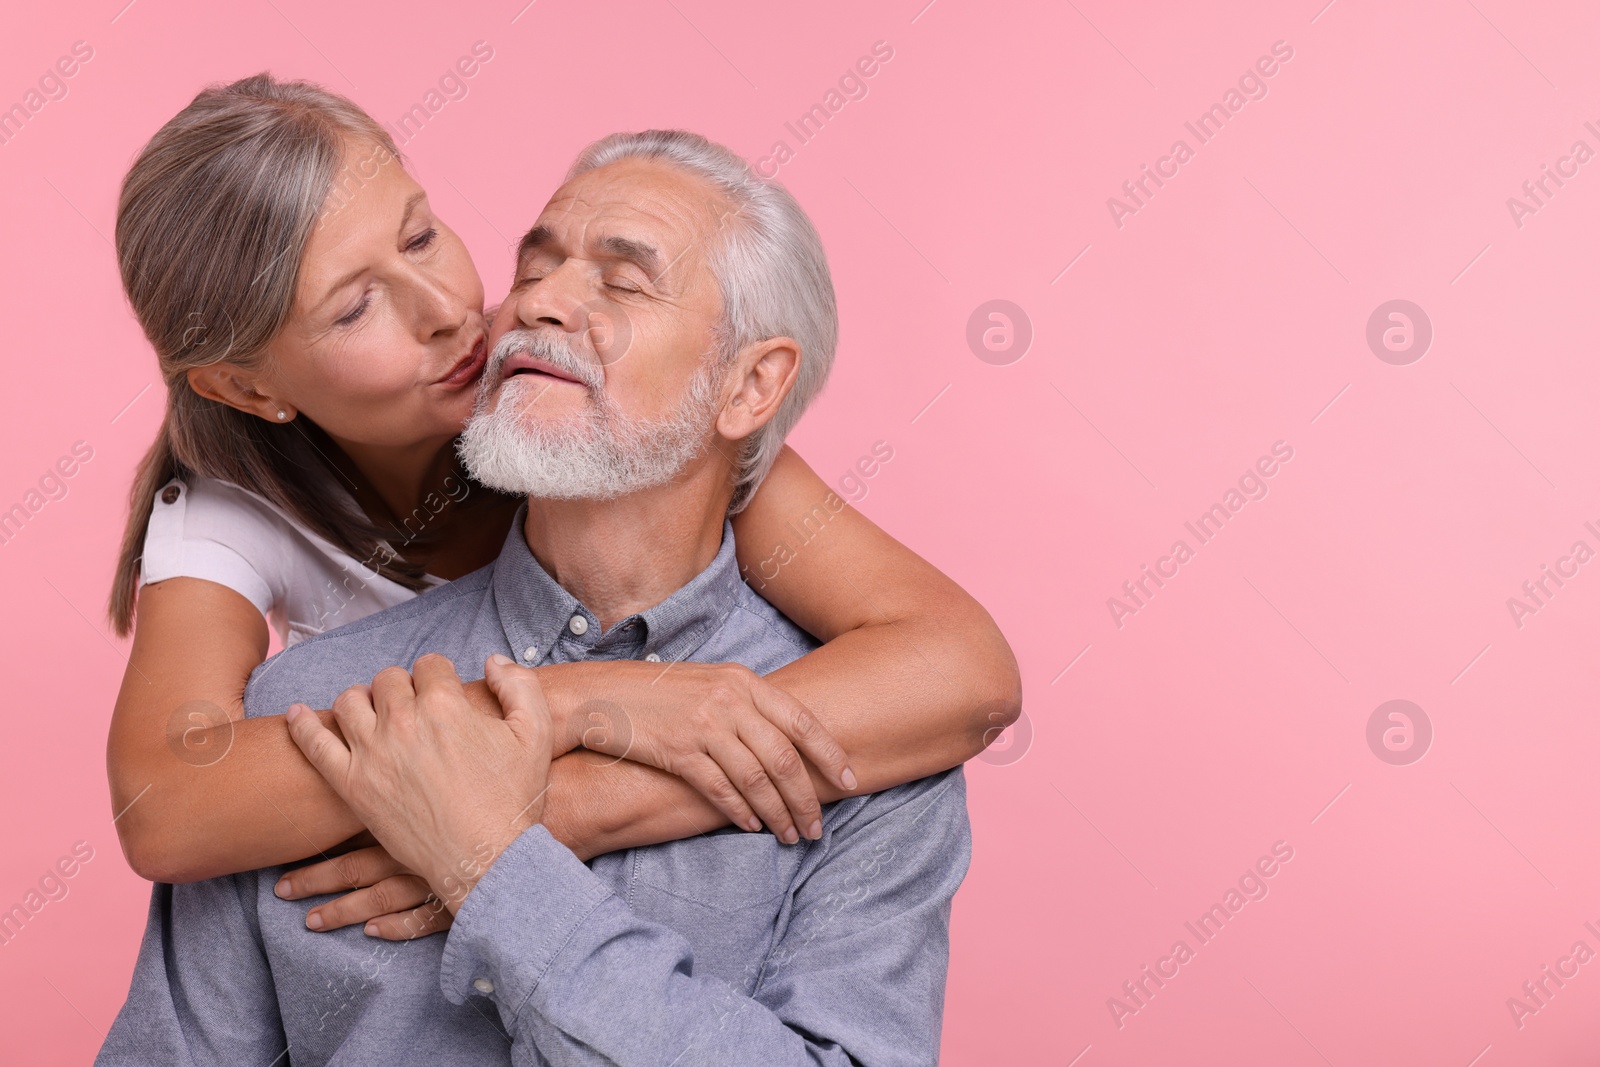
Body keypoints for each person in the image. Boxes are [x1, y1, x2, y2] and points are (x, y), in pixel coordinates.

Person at [99, 127, 977, 1066]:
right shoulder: (294, 733)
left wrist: (500, 853)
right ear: (248, 384)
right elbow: (166, 806)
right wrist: (576, 707)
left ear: (751, 383)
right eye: (538, 263)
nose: (526, 304)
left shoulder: (871, 746)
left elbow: (966, 662)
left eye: (625, 280)